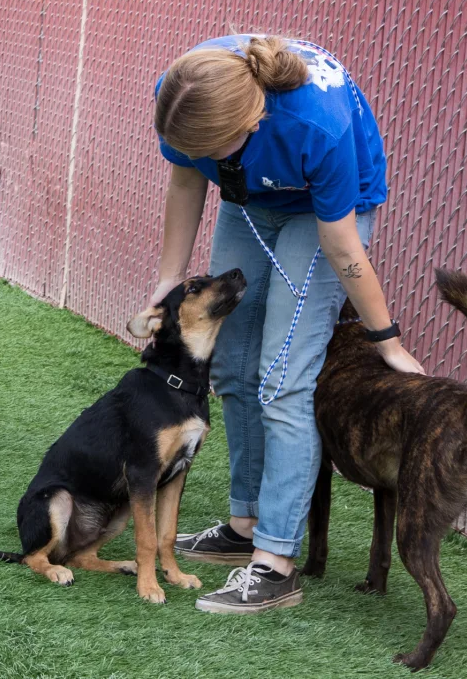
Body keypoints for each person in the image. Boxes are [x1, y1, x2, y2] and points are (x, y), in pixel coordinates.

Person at [146, 34, 422, 614]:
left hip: (324, 213)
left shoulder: (313, 126)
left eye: (211, 147)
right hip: (250, 200)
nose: (200, 155)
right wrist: (167, 282)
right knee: (236, 364)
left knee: (282, 377)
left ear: (250, 120)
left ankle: (274, 563)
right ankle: (244, 524)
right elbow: (187, 181)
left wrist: (386, 340)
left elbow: (343, 245)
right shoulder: (185, 95)